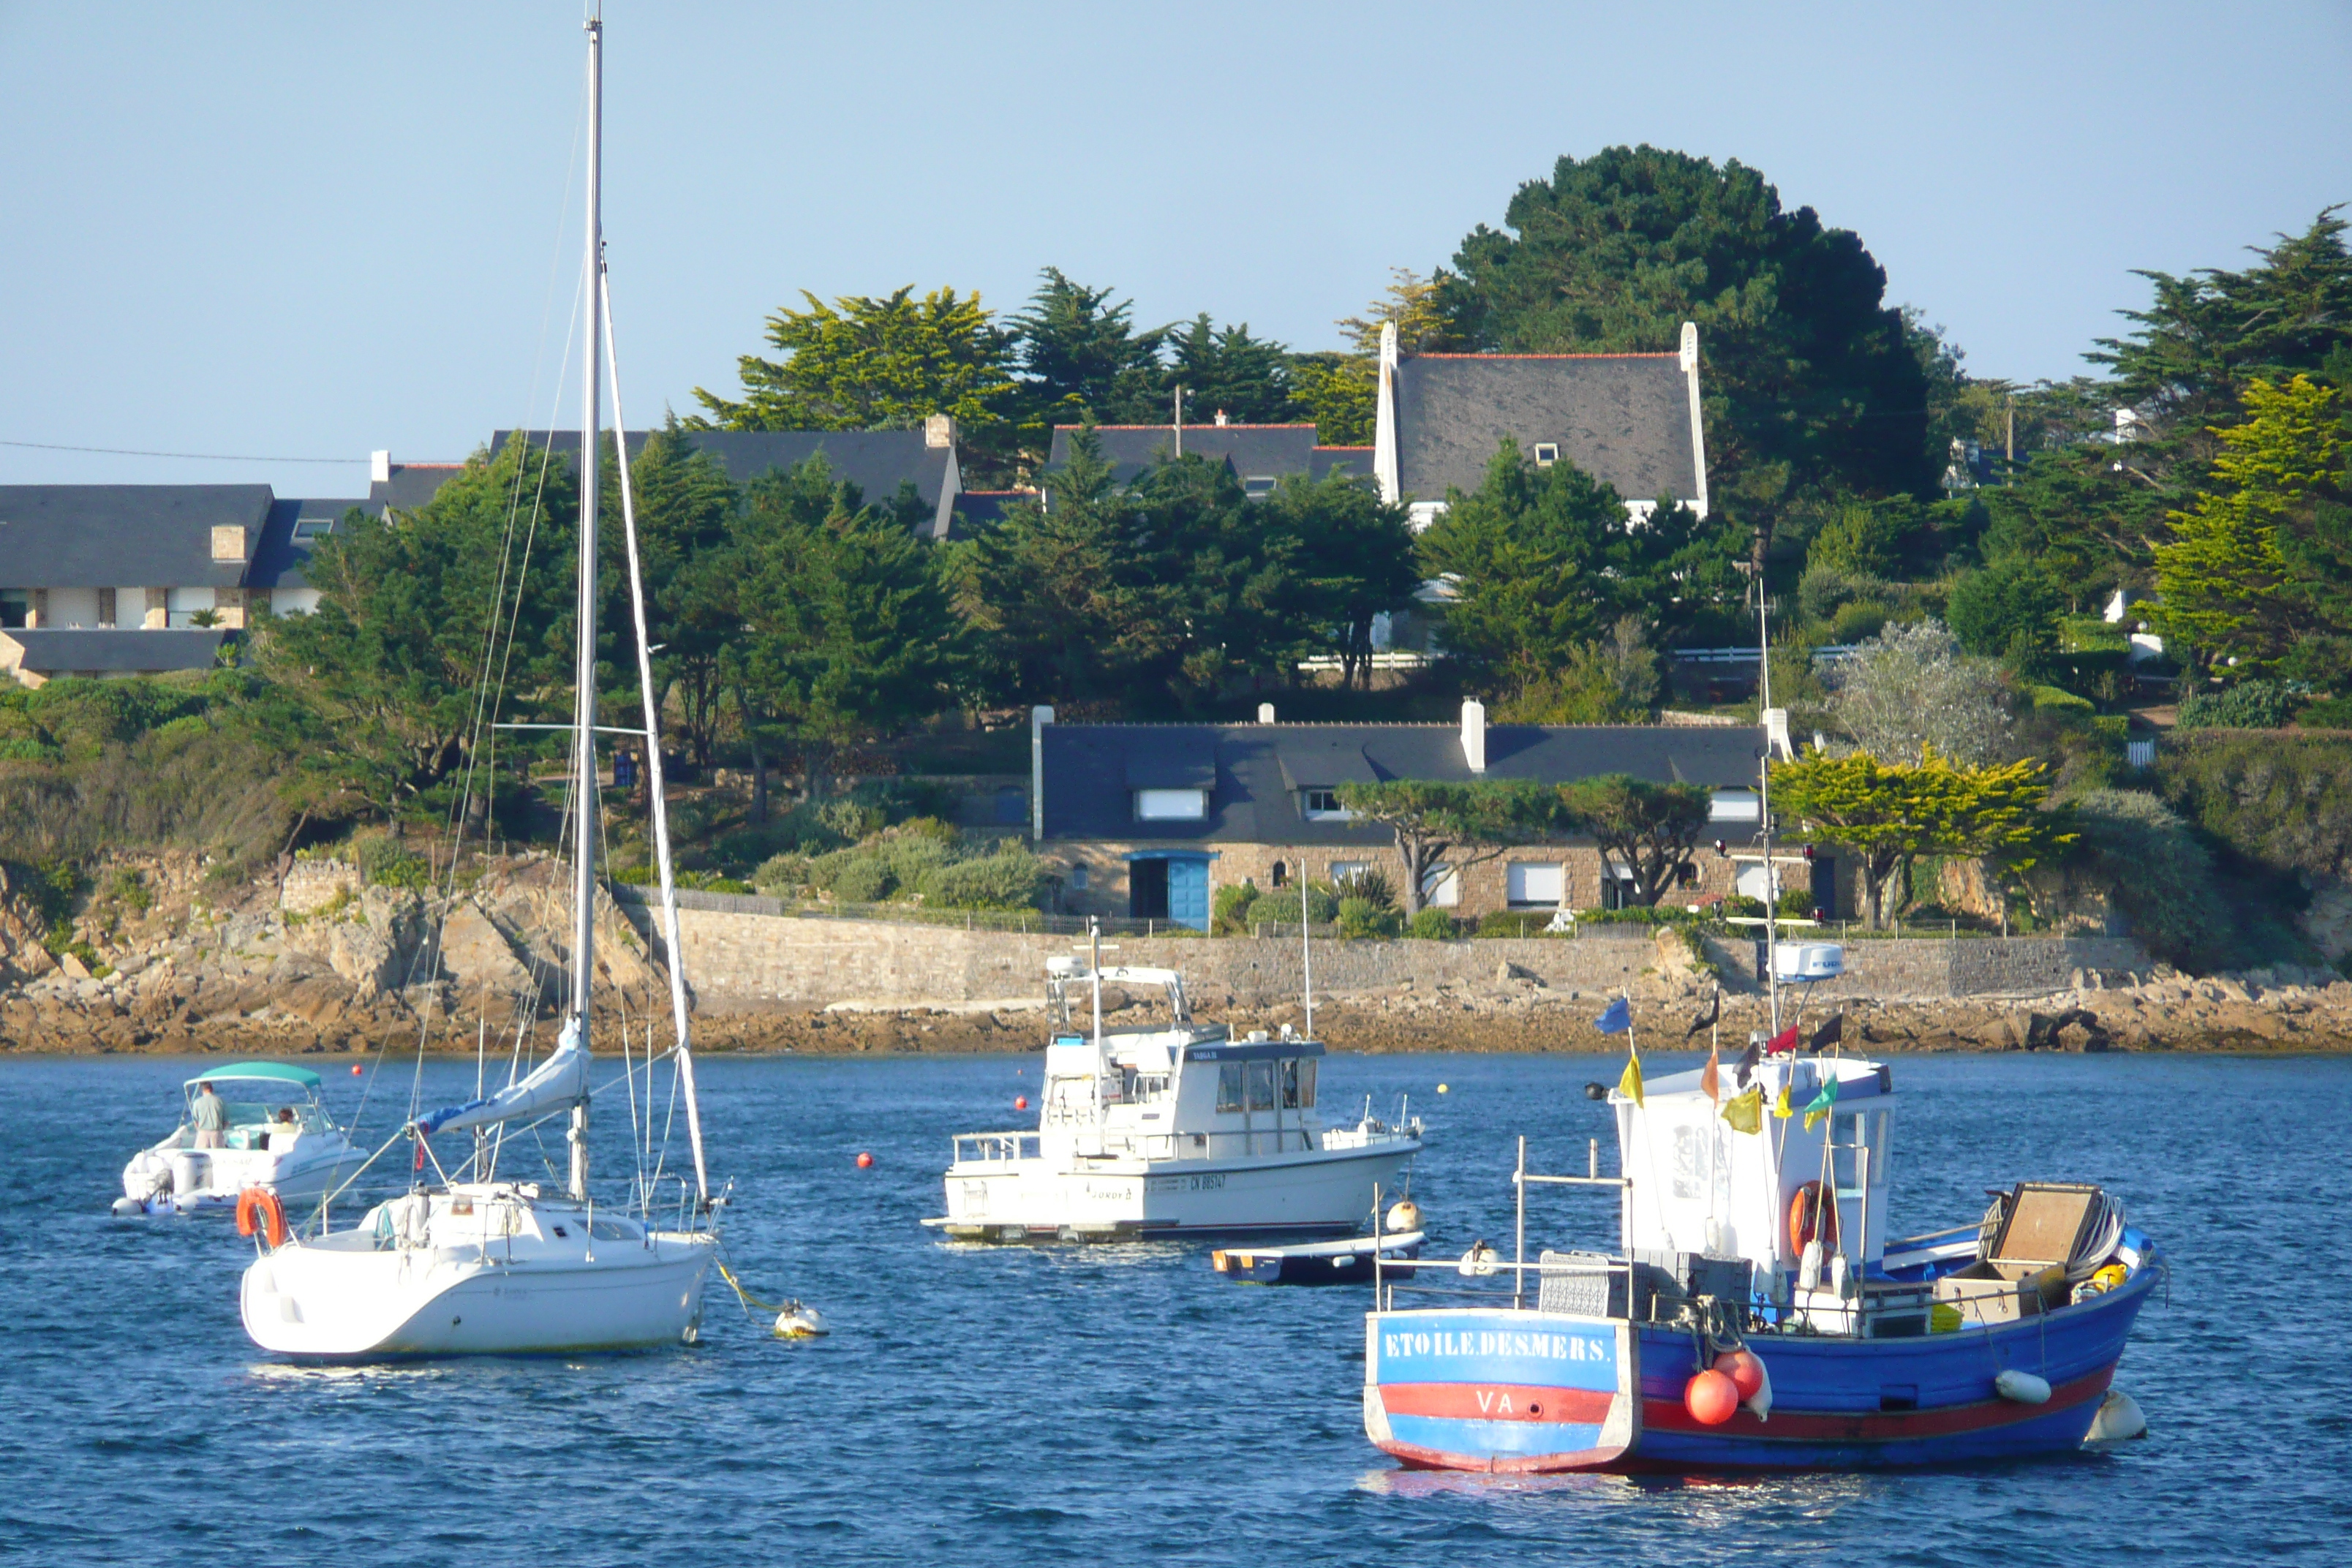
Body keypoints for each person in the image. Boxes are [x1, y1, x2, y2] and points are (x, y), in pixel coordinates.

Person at [192, 1081, 227, 1148]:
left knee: (200, 1155)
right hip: (216, 1132)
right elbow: (226, 1121)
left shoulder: (197, 1102)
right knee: (218, 1155)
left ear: (203, 1090)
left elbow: (196, 1121)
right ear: (212, 1089)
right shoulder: (220, 1101)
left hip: (202, 1133)